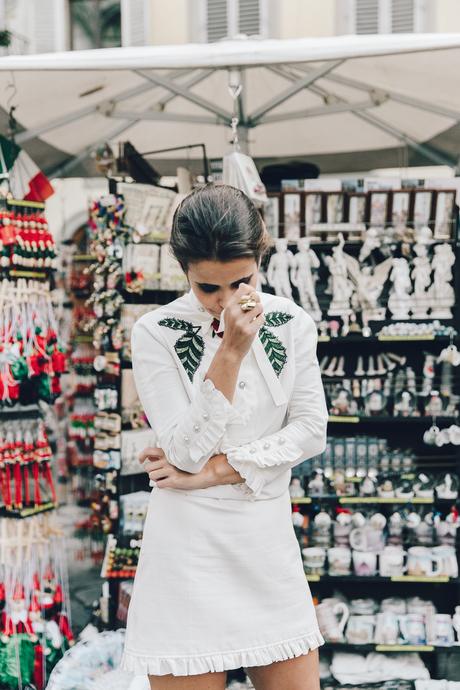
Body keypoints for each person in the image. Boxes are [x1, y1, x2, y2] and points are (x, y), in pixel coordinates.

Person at [120, 184, 328, 690]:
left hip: (265, 540)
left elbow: (310, 430)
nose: (226, 302)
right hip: (187, 550)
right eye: (207, 288)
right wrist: (230, 351)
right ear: (185, 271)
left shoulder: (292, 323)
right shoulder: (154, 332)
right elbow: (184, 450)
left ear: (260, 257)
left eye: (242, 282)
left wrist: (214, 471)